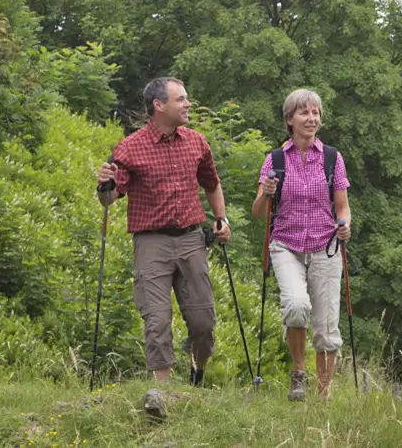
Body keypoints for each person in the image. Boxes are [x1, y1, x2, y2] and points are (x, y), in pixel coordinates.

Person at [96, 76, 231, 386]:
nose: (188, 104)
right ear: (159, 105)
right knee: (157, 320)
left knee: (203, 322)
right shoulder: (129, 148)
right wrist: (105, 182)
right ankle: (163, 391)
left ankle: (196, 377)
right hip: (151, 242)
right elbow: (109, 198)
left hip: (191, 239)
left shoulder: (197, 141)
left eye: (186, 98)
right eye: (181, 99)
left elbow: (211, 183)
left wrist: (222, 220)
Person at [251, 88, 352, 402]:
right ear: (290, 119)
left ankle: (323, 396)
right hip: (286, 245)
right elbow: (258, 213)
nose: (312, 118)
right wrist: (266, 193)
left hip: (326, 246)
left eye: (315, 113)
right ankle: (299, 373)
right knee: (296, 306)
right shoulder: (275, 159)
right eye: (304, 113)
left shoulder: (333, 158)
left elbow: (343, 207)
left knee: (326, 326)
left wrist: (345, 224)